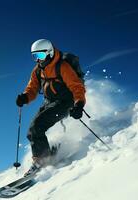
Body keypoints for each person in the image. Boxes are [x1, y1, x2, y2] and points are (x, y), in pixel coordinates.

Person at [16, 39, 86, 176]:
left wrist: (79, 104)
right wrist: (25, 97)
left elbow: (76, 86)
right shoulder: (38, 70)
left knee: (37, 127)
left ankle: (42, 161)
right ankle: (46, 155)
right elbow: (32, 88)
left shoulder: (63, 66)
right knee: (32, 131)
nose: (38, 60)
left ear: (50, 52)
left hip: (65, 102)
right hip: (49, 102)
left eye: (40, 56)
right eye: (35, 57)